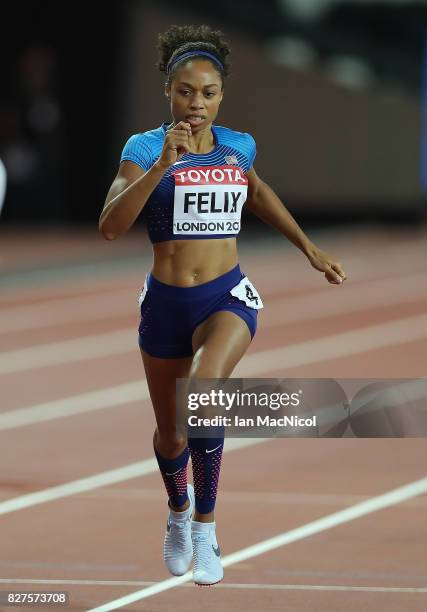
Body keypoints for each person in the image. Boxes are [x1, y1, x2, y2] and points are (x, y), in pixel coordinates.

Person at [99, 24, 347, 587]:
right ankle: (179, 512)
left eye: (208, 93)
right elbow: (111, 227)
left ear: (221, 96)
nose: (197, 104)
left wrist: (309, 248)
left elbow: (256, 192)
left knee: (205, 397)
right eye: (186, 91)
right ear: (168, 91)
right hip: (165, 304)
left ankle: (208, 528)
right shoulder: (141, 149)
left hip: (225, 296)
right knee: (171, 436)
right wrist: (163, 164)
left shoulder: (238, 145)